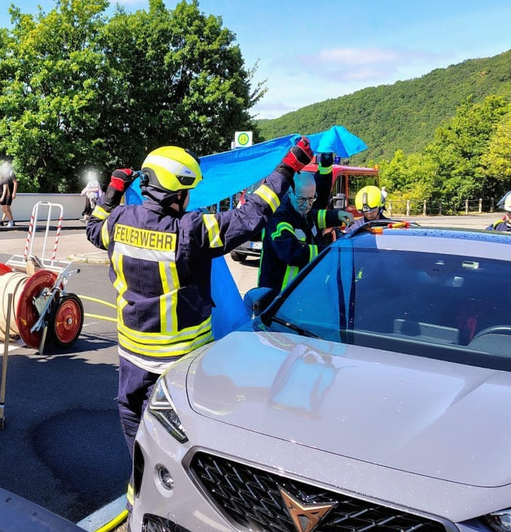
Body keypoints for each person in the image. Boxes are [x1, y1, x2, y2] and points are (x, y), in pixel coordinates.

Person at [85, 139, 315, 462]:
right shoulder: (190, 231)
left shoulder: (119, 221)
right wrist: (288, 167)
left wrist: (113, 191)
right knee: (175, 443)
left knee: (135, 429)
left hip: (131, 360)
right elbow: (252, 215)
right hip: (177, 365)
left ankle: (138, 489)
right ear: (178, 194)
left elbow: (93, 228)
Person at [257, 169, 353, 300]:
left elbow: (314, 215)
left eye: (311, 199)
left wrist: (337, 215)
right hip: (277, 296)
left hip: (298, 292)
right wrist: (328, 252)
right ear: (290, 193)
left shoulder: (301, 209)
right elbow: (291, 252)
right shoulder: (279, 217)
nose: (307, 205)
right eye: (302, 199)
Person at [0, 161, 18, 227]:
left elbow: (15, 183)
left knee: (6, 207)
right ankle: (10, 221)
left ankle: (7, 221)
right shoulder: (3, 173)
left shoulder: (11, 173)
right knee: (6, 207)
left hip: (9, 192)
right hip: (4, 193)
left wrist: (14, 193)